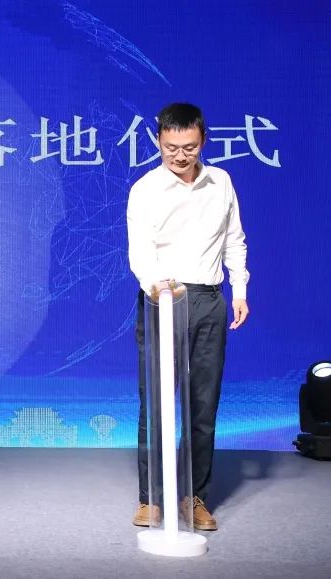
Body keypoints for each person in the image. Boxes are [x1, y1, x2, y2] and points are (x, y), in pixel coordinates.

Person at [126, 103, 249, 531]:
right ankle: (150, 498)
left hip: (210, 300)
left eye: (190, 147)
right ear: (159, 140)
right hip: (162, 298)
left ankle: (194, 497)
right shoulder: (145, 189)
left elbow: (234, 239)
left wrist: (239, 290)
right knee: (156, 405)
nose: (180, 156)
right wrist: (156, 287)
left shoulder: (221, 182)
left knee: (202, 406)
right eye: (171, 147)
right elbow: (140, 250)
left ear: (203, 141)